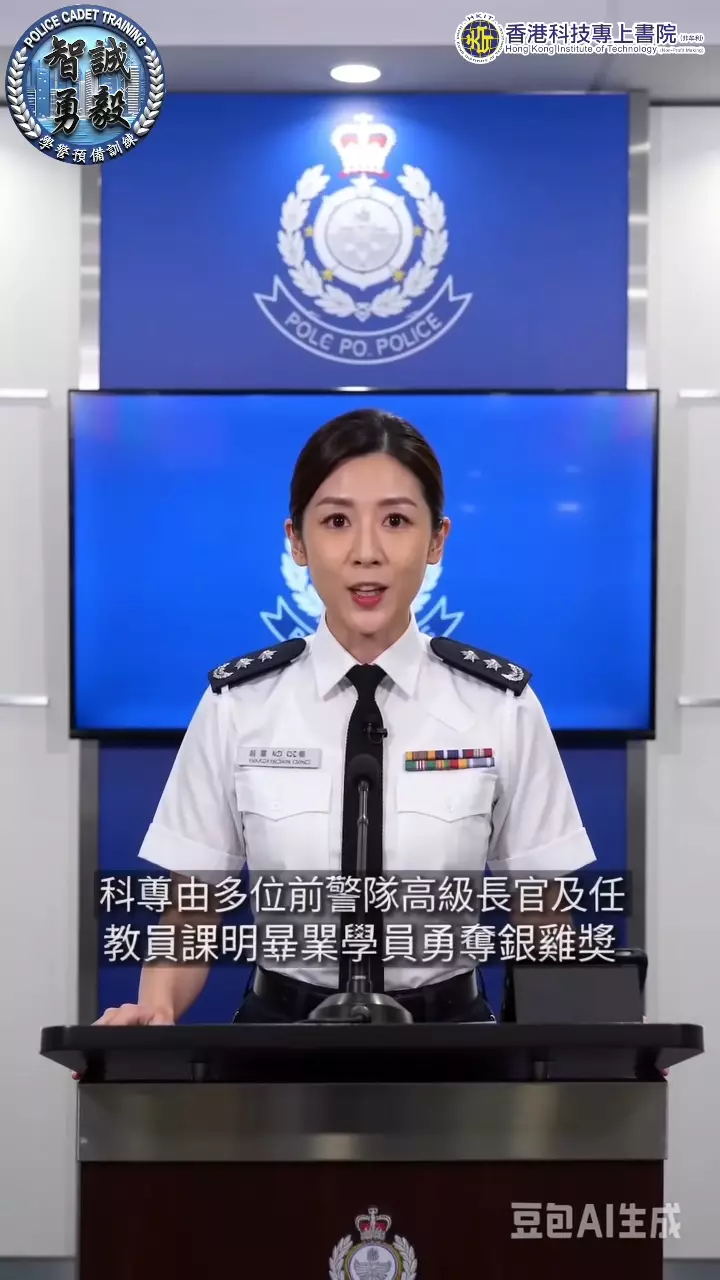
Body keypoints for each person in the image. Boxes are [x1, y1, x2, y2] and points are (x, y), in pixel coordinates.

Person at [95, 407, 596, 1028]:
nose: (366, 553)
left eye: (396, 521)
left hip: (453, 1046)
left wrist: (578, 1054)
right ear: (297, 542)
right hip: (279, 1042)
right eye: (336, 521)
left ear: (437, 540)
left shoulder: (501, 705)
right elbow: (192, 908)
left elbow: (543, 914)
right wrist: (155, 1011)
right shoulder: (238, 705)